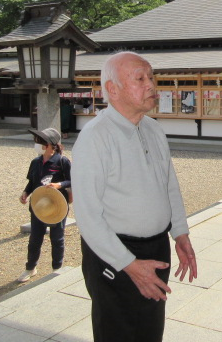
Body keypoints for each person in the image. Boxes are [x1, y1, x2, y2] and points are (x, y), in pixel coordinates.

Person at [72, 51, 197, 342]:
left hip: (156, 246)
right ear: (112, 90)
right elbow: (87, 216)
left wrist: (180, 233)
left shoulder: (152, 128)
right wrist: (128, 264)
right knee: (119, 331)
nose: (151, 85)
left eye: (151, 77)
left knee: (150, 329)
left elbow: (168, 184)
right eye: (140, 79)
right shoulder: (95, 137)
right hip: (114, 254)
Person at [17, 127, 72, 283]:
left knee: (57, 238)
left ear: (50, 144)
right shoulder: (36, 162)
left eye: (40, 141)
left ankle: (56, 268)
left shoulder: (62, 161)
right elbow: (32, 182)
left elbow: (72, 179)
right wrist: (25, 193)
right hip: (39, 204)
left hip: (56, 204)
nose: (37, 143)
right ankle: (30, 267)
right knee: (35, 238)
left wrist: (59, 184)